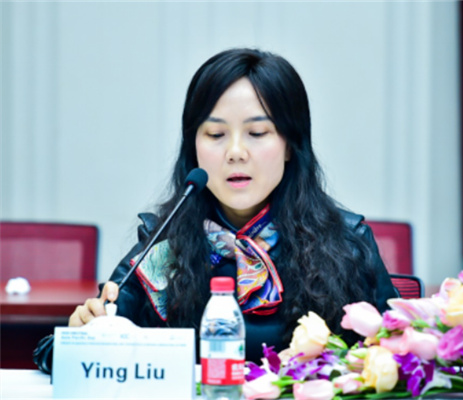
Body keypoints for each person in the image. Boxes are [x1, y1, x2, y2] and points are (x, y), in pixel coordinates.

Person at [33, 48, 398, 373]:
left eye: (257, 133)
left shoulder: (346, 242)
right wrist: (80, 337)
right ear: (194, 148)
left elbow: (398, 355)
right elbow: (56, 353)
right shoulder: (165, 244)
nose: (235, 152)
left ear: (290, 145)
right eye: (215, 135)